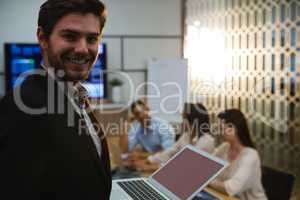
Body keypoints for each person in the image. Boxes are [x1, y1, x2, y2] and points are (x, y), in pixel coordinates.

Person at [0, 0, 111, 199]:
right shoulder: (22, 107)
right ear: (43, 38)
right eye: (70, 36)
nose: (83, 49)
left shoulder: (76, 96)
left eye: (92, 39)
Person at [135, 103, 215, 171]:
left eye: (184, 118)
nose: (181, 122)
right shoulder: (186, 136)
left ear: (193, 121)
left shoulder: (206, 141)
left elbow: (183, 166)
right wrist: (148, 160)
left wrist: (153, 167)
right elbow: (170, 152)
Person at [209, 109, 267, 200]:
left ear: (233, 128)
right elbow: (206, 166)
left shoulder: (251, 156)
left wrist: (208, 182)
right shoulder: (225, 147)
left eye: (221, 128)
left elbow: (231, 188)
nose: (219, 132)